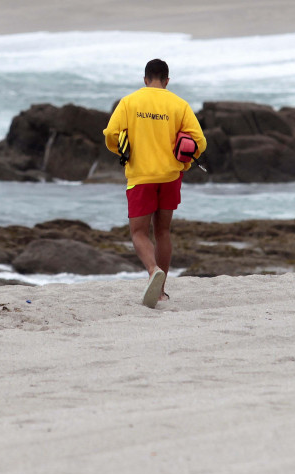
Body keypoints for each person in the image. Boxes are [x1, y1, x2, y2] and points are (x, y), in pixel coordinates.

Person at [103, 58, 206, 308]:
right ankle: (160, 291)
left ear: (145, 79)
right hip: (170, 176)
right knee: (163, 232)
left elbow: (111, 134)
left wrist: (123, 149)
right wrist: (183, 164)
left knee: (139, 232)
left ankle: (152, 270)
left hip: (141, 177)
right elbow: (199, 142)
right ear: (167, 81)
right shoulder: (179, 104)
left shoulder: (130, 102)